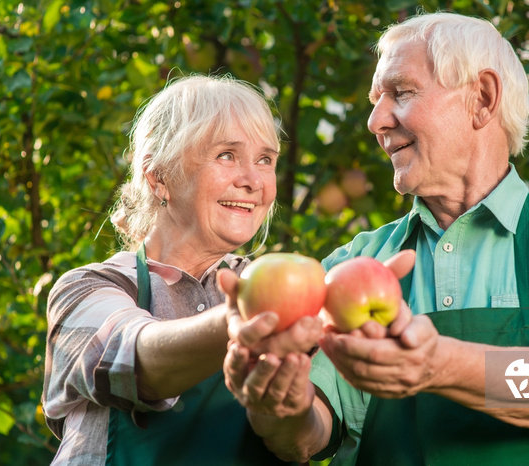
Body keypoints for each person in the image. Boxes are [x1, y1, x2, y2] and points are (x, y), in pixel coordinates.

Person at [222, 12, 529, 465]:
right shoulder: (357, 263)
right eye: (375, 101)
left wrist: (436, 365)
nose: (375, 121)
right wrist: (280, 408)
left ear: (483, 99)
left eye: (401, 93)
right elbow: (309, 434)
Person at [42, 75, 321, 465]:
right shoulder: (87, 289)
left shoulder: (285, 288)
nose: (253, 180)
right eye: (227, 154)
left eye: (265, 160)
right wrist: (248, 319)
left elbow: (305, 441)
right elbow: (137, 360)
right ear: (160, 177)